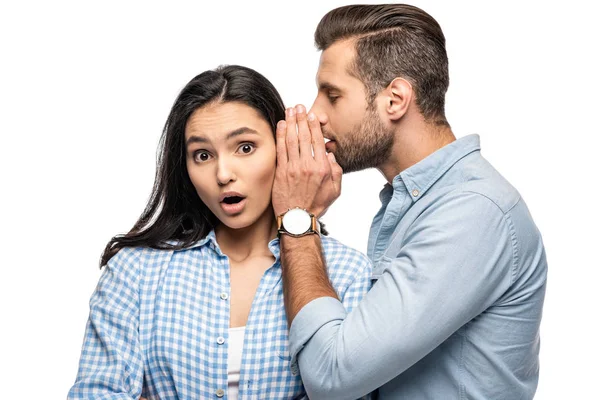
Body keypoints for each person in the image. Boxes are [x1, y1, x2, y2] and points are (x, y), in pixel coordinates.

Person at [271, 4, 548, 400]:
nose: (315, 114)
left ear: (395, 100)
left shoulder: (472, 211)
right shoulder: (417, 203)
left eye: (332, 95)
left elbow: (333, 376)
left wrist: (297, 218)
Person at [67, 65, 372, 399]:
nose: (223, 173)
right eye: (202, 155)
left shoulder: (348, 275)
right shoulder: (135, 272)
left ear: (283, 149)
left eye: (245, 147)